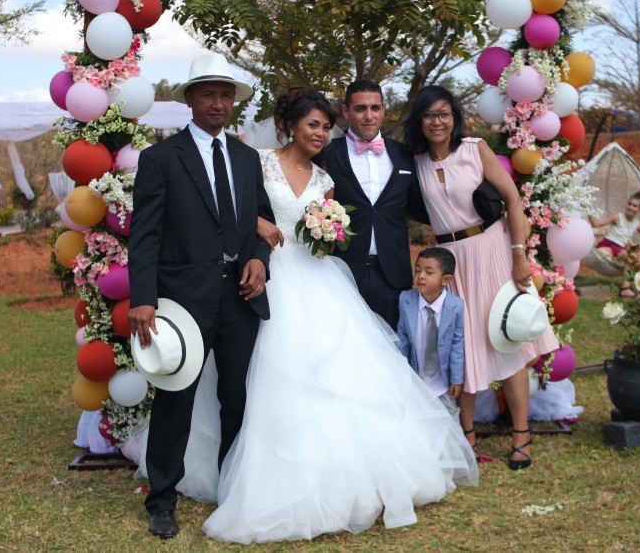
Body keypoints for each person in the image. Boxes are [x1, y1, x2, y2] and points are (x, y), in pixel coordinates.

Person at [202, 88, 477, 544]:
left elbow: (330, 227)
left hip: (319, 277)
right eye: (314, 125)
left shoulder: (324, 177)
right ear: (290, 125)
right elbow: (229, 208)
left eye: (326, 127)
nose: (321, 133)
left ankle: (353, 474)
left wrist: (325, 231)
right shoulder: (259, 162)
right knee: (276, 372)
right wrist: (259, 224)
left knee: (345, 371)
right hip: (273, 273)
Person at [127, 54, 274, 540]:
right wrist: (143, 297)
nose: (218, 103)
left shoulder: (247, 158)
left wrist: (260, 261)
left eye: (226, 95)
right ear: (189, 99)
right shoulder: (160, 159)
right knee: (177, 398)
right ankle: (162, 500)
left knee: (237, 396)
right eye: (208, 94)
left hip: (240, 298)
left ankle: (233, 489)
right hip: (181, 300)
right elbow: (144, 235)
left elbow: (259, 223)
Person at [404, 85, 558, 471]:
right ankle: (465, 435)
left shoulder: (474, 148)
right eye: (429, 115)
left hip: (489, 250)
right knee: (462, 345)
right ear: (419, 121)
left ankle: (522, 432)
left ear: (454, 117)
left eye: (444, 113)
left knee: (507, 342)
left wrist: (519, 255)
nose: (437, 121)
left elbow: (512, 199)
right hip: (449, 261)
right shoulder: (416, 162)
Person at [321, 79, 426, 328]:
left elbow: (421, 206)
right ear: (345, 111)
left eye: (375, 108)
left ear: (383, 109)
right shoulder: (326, 155)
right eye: (360, 109)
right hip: (343, 273)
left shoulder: (404, 154)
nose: (369, 116)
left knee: (393, 351)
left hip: (393, 274)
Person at [397, 247, 465, 422]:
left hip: (441, 381)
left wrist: (457, 379)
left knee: (449, 417)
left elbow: (458, 344)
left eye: (429, 272)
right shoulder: (406, 300)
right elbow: (402, 337)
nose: (421, 276)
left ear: (446, 279)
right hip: (416, 376)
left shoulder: (455, 306)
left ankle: (455, 449)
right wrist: (400, 372)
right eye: (418, 270)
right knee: (415, 417)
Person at [588, 190, 640, 297]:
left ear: (639, 209)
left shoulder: (636, 223)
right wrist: (588, 208)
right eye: (629, 204)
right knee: (634, 258)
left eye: (634, 206)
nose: (630, 207)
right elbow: (596, 224)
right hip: (608, 244)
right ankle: (629, 288)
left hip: (621, 248)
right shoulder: (618, 217)